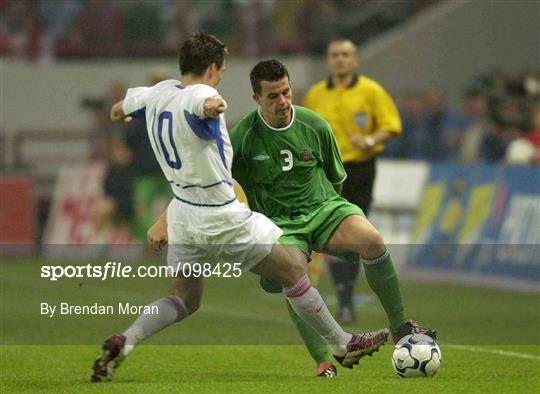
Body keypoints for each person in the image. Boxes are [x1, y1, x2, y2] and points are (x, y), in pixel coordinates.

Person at [91, 33, 389, 382]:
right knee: (295, 270)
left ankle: (125, 341)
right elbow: (203, 103)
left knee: (184, 300)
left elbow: (116, 110)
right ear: (214, 67)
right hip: (220, 214)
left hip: (184, 215)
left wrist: (123, 116)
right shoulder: (202, 94)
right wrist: (212, 106)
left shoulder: (155, 93)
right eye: (222, 70)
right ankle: (341, 344)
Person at [229, 59, 436, 378]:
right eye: (273, 96)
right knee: (294, 274)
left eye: (286, 92)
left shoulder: (315, 125)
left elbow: (336, 180)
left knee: (372, 240)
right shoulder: (241, 138)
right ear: (256, 98)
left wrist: (329, 212)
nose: (283, 101)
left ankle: (400, 328)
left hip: (324, 209)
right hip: (280, 224)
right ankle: (324, 359)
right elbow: (222, 184)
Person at [303, 39, 401, 324]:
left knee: (356, 233)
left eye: (346, 55)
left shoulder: (371, 91)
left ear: (355, 60)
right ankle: (345, 301)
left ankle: (345, 298)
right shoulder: (316, 94)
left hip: (359, 168)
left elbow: (392, 126)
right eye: (335, 55)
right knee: (333, 232)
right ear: (328, 60)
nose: (340, 60)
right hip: (327, 171)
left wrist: (369, 139)